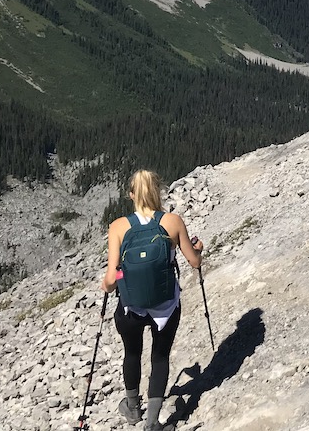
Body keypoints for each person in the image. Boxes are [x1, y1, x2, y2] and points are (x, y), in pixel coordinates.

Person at [102, 170, 203, 430]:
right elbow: (194, 261)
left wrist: (105, 285)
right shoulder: (173, 221)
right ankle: (152, 423)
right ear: (158, 191)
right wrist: (198, 250)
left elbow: (111, 278)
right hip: (165, 305)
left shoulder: (118, 226)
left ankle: (132, 408)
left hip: (130, 306)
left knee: (132, 353)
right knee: (160, 356)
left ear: (131, 195)